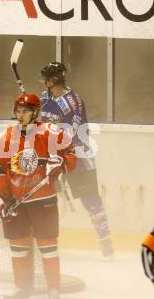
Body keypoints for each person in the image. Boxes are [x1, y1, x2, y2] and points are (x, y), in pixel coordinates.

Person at [0, 94, 77, 299]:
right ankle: (22, 289)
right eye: (18, 111)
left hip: (43, 200)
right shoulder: (6, 137)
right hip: (17, 202)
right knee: (18, 247)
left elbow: (71, 155)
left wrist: (61, 164)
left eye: (26, 111)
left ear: (35, 112)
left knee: (48, 247)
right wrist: (4, 198)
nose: (21, 115)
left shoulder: (50, 132)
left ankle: (53, 290)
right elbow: (0, 170)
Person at [40, 62, 114, 258]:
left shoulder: (73, 102)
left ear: (52, 80)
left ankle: (105, 240)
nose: (43, 82)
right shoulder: (45, 96)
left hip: (78, 154)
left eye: (46, 78)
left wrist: (60, 152)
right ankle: (44, 241)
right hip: (52, 154)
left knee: (90, 199)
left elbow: (74, 133)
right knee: (43, 196)